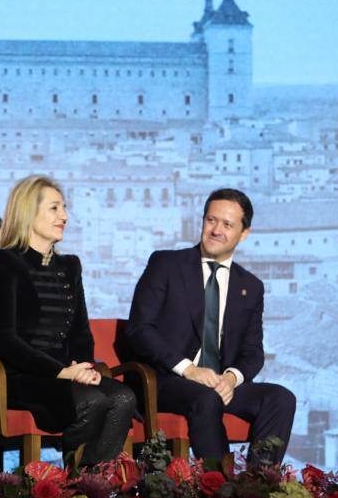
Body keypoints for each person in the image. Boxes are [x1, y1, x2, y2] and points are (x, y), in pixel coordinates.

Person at [126, 188, 295, 466]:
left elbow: (253, 352)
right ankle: (220, 489)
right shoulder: (166, 264)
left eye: (227, 224)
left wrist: (230, 379)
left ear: (244, 234)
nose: (216, 230)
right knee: (205, 397)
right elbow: (139, 330)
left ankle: (258, 486)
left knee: (280, 398)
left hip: (219, 383)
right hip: (166, 380)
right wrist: (189, 370)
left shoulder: (250, 287)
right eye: (211, 220)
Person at [0, 175, 136, 465]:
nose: (64, 216)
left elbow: (80, 332)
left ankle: (88, 481)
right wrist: (61, 372)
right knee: (93, 400)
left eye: (63, 208)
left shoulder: (69, 266)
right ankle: (73, 486)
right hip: (20, 375)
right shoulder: (4, 262)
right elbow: (6, 341)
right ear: (29, 211)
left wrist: (83, 367)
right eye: (54, 208)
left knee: (123, 398)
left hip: (67, 374)